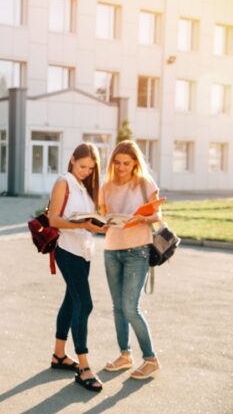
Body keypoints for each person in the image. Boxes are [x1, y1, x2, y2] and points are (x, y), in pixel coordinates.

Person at [47, 142, 107, 392]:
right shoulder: (64, 182)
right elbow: (53, 219)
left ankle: (59, 355)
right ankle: (84, 366)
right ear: (72, 160)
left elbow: (87, 218)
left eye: (91, 169)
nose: (86, 171)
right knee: (85, 303)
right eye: (83, 166)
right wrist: (85, 226)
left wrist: (100, 225)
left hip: (83, 251)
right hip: (66, 249)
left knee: (72, 301)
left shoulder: (83, 186)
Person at [100, 140, 161, 380]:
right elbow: (104, 216)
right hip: (112, 249)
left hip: (138, 250)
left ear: (135, 162)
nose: (122, 167)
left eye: (127, 163)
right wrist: (103, 222)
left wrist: (138, 220)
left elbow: (157, 215)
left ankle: (151, 358)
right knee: (117, 308)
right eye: (118, 163)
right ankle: (125, 355)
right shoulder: (106, 186)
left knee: (130, 308)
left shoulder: (144, 183)